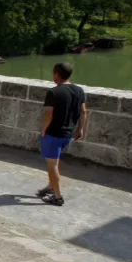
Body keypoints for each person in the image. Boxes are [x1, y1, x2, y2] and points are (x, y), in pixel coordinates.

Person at [37, 62, 87, 206]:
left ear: (56, 73)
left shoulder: (53, 92)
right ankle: (51, 186)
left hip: (53, 134)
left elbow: (49, 115)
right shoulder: (79, 91)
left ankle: (57, 197)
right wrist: (80, 129)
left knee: (52, 166)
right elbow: (84, 112)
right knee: (55, 162)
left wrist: (43, 130)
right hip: (68, 134)